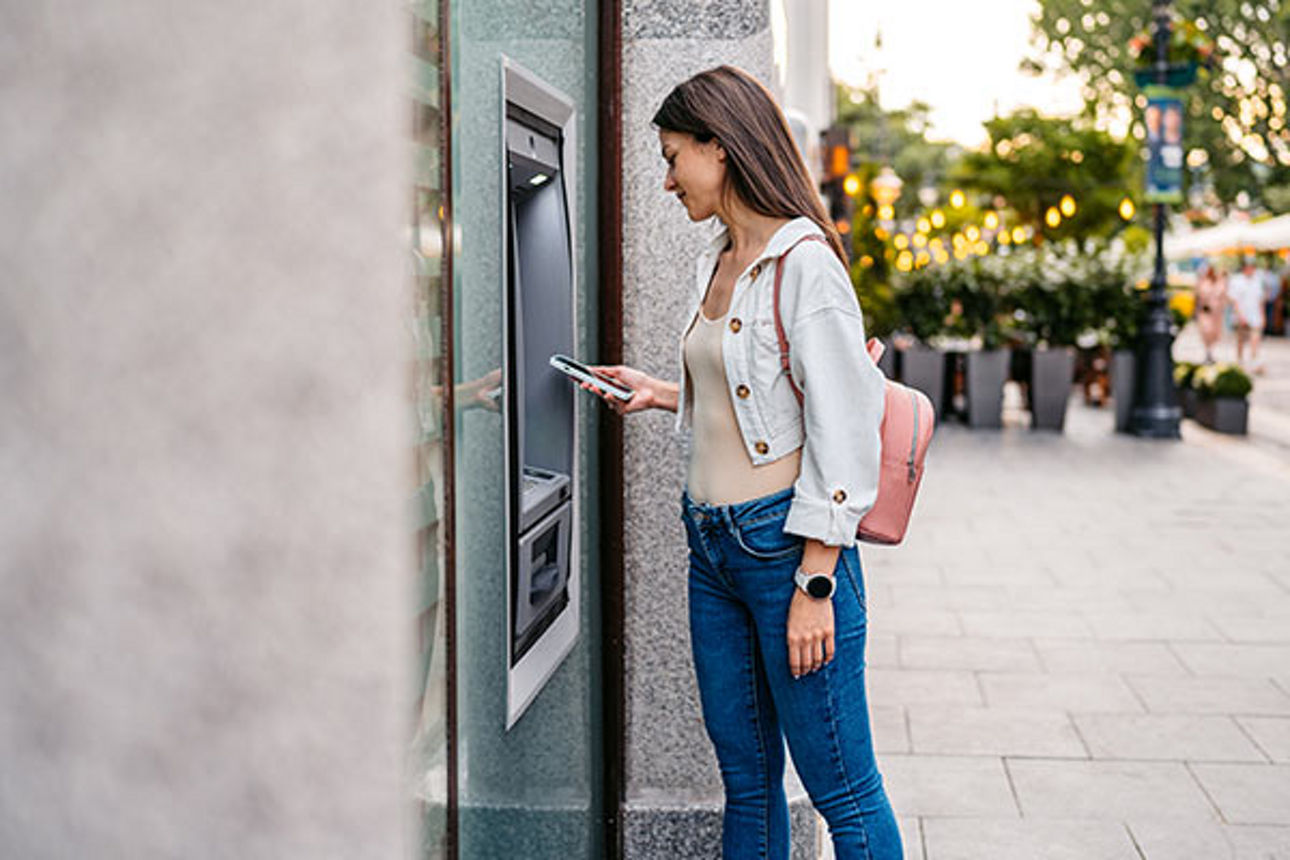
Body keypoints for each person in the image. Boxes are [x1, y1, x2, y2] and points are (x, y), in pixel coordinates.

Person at [582, 66, 901, 859]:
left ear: (719, 149)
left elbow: (847, 428)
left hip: (786, 551)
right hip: (713, 550)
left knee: (844, 793)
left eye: (672, 155)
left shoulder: (805, 263)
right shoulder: (719, 259)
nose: (664, 179)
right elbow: (748, 391)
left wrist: (815, 583)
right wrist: (659, 392)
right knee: (748, 783)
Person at [1227, 258, 1266, 372]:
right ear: (1244, 268)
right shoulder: (1237, 280)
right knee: (1241, 340)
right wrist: (1240, 315)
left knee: (1255, 338)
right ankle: (1240, 360)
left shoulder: (1257, 281)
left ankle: (1254, 361)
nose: (1251, 269)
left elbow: (1260, 300)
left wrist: (1262, 316)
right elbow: (1234, 300)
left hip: (1255, 315)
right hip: (1241, 315)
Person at [1194, 263, 1227, 364]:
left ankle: (1210, 352)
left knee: (1215, 334)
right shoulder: (1202, 283)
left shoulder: (1220, 282)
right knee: (1206, 332)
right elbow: (1198, 297)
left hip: (1216, 314)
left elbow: (1223, 296)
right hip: (1205, 312)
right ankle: (1208, 353)